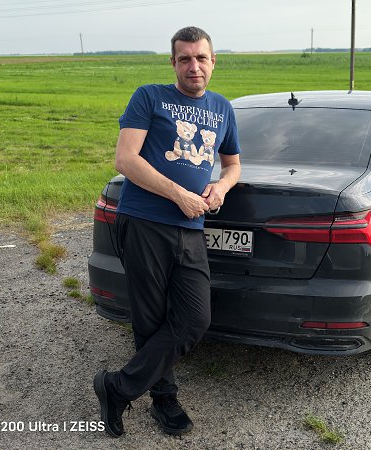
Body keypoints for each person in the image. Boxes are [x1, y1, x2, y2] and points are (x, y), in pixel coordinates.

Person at [93, 26, 241, 438]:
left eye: (201, 58)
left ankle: (117, 387)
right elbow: (125, 159)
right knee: (150, 317)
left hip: (190, 227)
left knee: (195, 318)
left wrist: (221, 186)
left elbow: (232, 164)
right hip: (144, 222)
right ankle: (164, 399)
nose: (194, 66)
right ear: (173, 63)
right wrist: (178, 194)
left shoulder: (222, 108)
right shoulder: (149, 97)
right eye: (185, 59)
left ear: (213, 62)